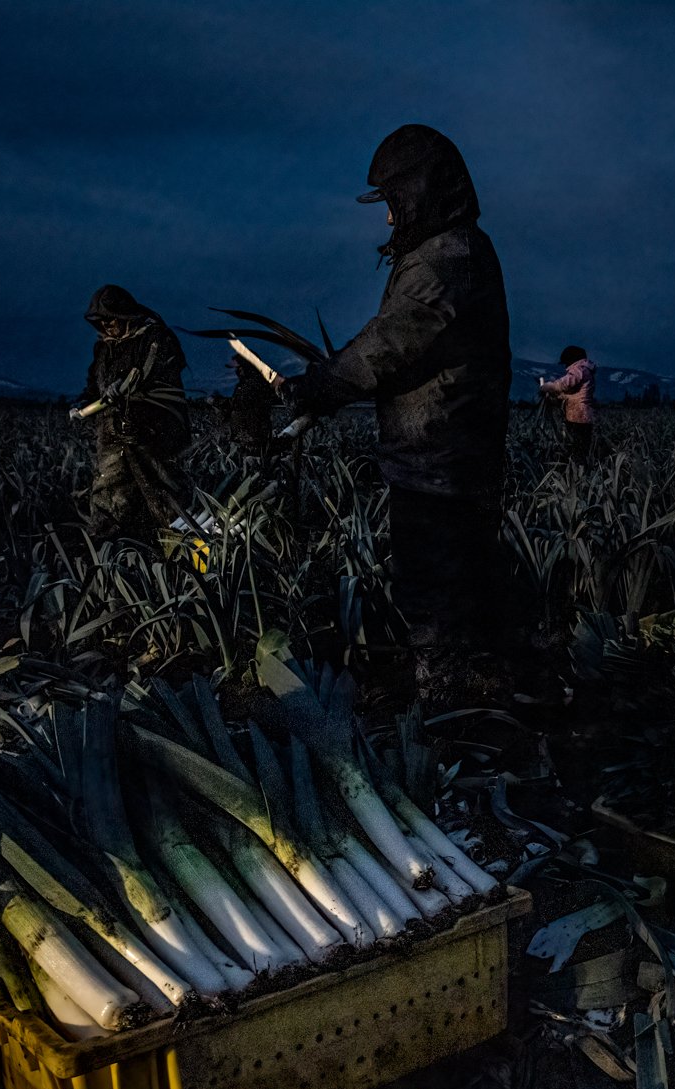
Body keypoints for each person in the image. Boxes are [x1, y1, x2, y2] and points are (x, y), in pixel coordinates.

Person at [277, 124, 512, 679]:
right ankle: (483, 683)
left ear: (421, 192)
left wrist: (318, 386)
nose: (387, 218)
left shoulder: (443, 259)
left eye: (393, 202)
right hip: (450, 456)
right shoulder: (459, 250)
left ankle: (446, 710)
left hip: (440, 459)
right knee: (463, 583)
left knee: (434, 591)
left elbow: (388, 345)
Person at [78, 284, 190, 538]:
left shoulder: (156, 338)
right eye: (101, 321)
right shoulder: (104, 348)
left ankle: (176, 546)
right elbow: (94, 387)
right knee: (109, 489)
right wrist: (82, 405)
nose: (107, 326)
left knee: (164, 488)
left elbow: (164, 375)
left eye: (111, 319)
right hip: (112, 432)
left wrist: (130, 388)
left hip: (154, 431)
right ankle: (111, 550)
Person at [539, 345, 597, 463]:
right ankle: (581, 469)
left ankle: (578, 471)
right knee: (582, 445)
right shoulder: (586, 371)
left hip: (578, 415)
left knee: (576, 445)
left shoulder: (579, 370)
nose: (565, 366)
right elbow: (573, 394)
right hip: (585, 415)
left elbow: (563, 385)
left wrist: (547, 387)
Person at [224, 353, 279, 457]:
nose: (237, 372)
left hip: (252, 443)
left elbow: (236, 405)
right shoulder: (252, 383)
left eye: (239, 368)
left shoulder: (252, 385)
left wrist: (214, 401)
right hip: (248, 440)